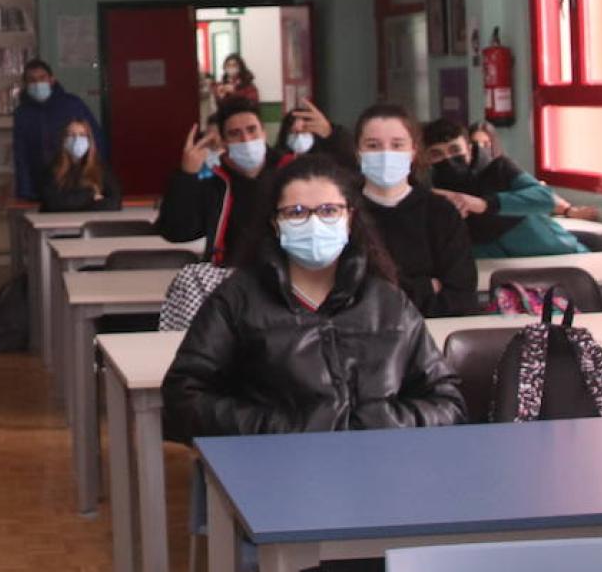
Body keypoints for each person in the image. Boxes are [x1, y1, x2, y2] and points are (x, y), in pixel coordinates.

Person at [161, 154, 465, 440]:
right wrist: (282, 428)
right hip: (275, 464)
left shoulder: (387, 301)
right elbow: (183, 397)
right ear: (275, 223)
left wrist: (379, 422)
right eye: (296, 212)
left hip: (380, 462)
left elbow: (447, 402)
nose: (314, 223)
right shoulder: (238, 299)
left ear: (349, 218)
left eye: (329, 210)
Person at [155, 96, 346, 266]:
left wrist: (331, 136)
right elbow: (177, 232)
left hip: (290, 274)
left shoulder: (291, 171)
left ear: (264, 132)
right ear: (224, 142)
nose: (246, 139)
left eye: (252, 130)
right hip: (229, 276)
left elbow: (348, 185)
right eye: (235, 133)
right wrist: (186, 177)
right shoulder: (214, 182)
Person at [353, 104, 478, 317]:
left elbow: (461, 297)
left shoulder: (441, 213)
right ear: (358, 153)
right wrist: (425, 287)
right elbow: (346, 293)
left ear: (413, 151)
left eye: (397, 145)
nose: (386, 154)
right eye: (373, 145)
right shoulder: (342, 212)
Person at [420, 118, 588, 259]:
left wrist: (484, 204)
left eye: (455, 149)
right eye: (436, 154)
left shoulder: (499, 168)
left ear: (469, 149)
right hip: (499, 274)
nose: (448, 158)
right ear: (425, 158)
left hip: (562, 258)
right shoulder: (432, 192)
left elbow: (545, 198)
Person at [12, 58, 103, 205]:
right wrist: (24, 190)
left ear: (52, 80)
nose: (37, 83)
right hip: (38, 185)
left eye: (42, 78)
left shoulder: (72, 104)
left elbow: (95, 140)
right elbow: (20, 154)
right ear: (26, 84)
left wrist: (96, 178)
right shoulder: (22, 114)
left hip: (72, 181)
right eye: (32, 80)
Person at [35, 118, 122, 212]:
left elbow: (114, 203)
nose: (77, 139)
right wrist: (90, 195)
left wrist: (74, 204)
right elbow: (53, 204)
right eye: (71, 135)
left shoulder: (101, 169)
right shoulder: (52, 170)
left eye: (82, 135)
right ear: (64, 140)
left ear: (89, 140)